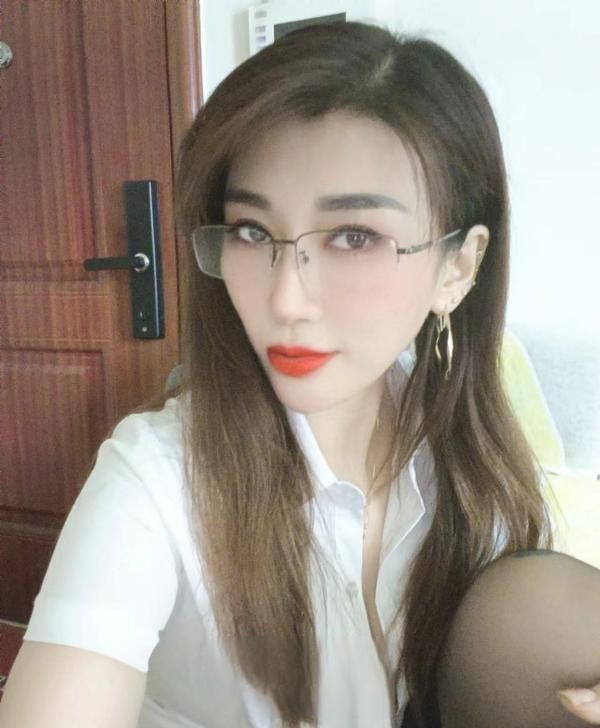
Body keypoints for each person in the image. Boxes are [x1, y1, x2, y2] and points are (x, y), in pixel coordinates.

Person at [1, 20, 599, 728]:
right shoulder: (156, 480)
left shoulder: (472, 467)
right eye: (252, 231)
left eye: (354, 237)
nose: (285, 300)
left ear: (458, 267)